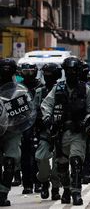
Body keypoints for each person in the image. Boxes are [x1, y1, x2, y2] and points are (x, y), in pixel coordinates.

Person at [41, 57, 90, 205]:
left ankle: (76, 192)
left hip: (78, 133)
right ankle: (66, 188)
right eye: (68, 71)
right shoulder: (57, 88)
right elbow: (46, 104)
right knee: (62, 166)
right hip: (60, 133)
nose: (71, 73)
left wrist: (86, 121)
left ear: (78, 72)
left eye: (74, 71)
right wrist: (47, 118)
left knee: (76, 161)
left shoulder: (85, 89)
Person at [34, 63, 63, 200]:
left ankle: (56, 187)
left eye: (50, 74)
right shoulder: (39, 92)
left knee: (58, 162)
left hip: (60, 131)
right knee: (42, 158)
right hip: (44, 131)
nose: (47, 76)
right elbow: (33, 112)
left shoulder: (62, 90)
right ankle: (44, 181)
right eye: (45, 74)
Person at [0, 58, 26, 206]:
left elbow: (27, 108)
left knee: (10, 161)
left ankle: (3, 193)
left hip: (12, 130)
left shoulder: (20, 90)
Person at [19, 62, 43, 194]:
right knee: (24, 155)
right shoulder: (18, 88)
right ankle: (27, 184)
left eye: (30, 71)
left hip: (39, 123)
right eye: (25, 71)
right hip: (23, 124)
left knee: (38, 155)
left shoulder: (41, 86)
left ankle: (38, 181)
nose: (28, 74)